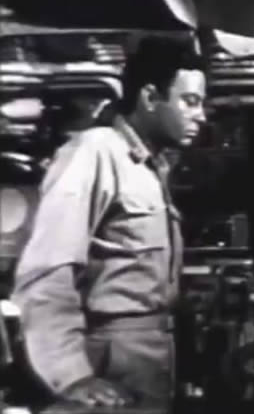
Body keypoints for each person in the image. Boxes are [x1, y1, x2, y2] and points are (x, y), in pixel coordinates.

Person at [11, 35, 207, 409]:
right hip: (108, 360)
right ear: (150, 97)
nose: (201, 115)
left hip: (147, 358)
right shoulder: (94, 152)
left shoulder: (149, 168)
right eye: (190, 101)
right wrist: (72, 375)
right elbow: (47, 270)